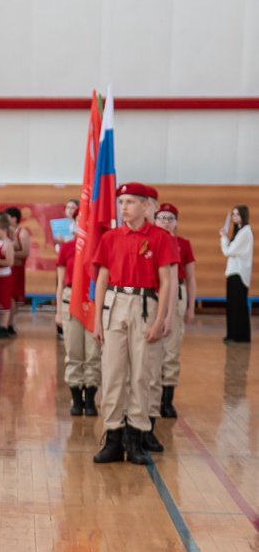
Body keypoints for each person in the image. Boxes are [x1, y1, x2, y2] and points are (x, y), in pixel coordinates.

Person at [89, 183, 179, 465]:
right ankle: (113, 437)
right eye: (121, 202)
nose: (123, 207)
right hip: (115, 303)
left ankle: (136, 436)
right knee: (112, 373)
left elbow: (167, 282)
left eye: (129, 201)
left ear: (145, 205)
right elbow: (101, 279)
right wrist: (97, 320)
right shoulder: (110, 237)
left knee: (142, 373)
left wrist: (161, 319)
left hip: (145, 305)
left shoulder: (160, 238)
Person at [152, 203, 195, 418]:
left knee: (171, 347)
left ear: (176, 222)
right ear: (155, 220)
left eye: (170, 218)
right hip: (153, 293)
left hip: (176, 294)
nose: (166, 222)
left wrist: (191, 307)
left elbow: (190, 278)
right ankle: (151, 396)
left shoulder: (183, 244)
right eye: (162, 218)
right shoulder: (149, 242)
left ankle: (167, 400)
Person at [55, 222, 100, 418]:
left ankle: (90, 399)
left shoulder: (99, 247)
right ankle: (76, 398)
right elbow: (60, 283)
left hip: (93, 300)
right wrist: (58, 311)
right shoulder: (67, 248)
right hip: (71, 299)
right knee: (73, 351)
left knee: (93, 352)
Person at [221, 205, 252, 343]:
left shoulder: (245, 232)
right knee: (232, 305)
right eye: (233, 214)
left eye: (237, 214)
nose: (234, 217)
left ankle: (239, 336)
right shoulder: (240, 232)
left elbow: (228, 251)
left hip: (238, 274)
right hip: (233, 273)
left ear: (243, 215)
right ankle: (232, 334)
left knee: (237, 306)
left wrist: (223, 238)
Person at [5, 206, 32, 332]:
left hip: (17, 269)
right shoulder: (5, 231)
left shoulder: (22, 232)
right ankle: (6, 323)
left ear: (14, 218)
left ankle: (12, 323)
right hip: (8, 267)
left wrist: (9, 254)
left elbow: (25, 252)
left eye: (7, 218)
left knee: (14, 296)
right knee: (7, 295)